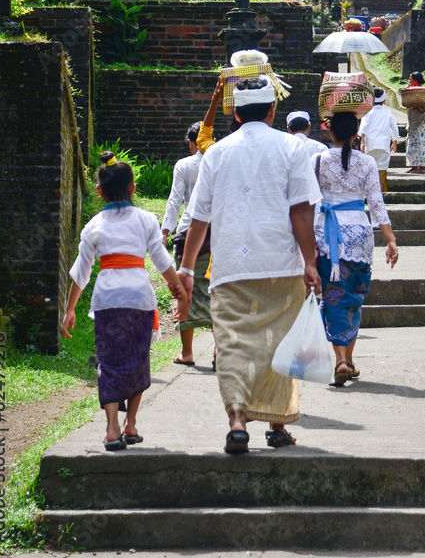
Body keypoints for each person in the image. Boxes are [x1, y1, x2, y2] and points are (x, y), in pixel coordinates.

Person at [179, 76, 321, 455]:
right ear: (273, 110)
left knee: (231, 344)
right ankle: (277, 426)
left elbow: (199, 218)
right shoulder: (293, 148)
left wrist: (187, 269)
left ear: (236, 113)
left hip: (229, 266)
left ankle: (238, 419)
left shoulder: (216, 153)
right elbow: (302, 210)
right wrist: (310, 262)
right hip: (281, 263)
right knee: (281, 342)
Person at [62, 152, 188, 451]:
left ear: (99, 191)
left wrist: (69, 309)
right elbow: (161, 261)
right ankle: (130, 424)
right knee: (137, 360)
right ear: (132, 189)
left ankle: (111, 428)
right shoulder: (146, 220)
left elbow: (81, 271)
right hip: (139, 299)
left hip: (107, 300)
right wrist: (180, 289)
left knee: (109, 361)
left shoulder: (93, 225)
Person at [314, 111, 398, 386]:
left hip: (327, 235)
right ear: (355, 134)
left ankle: (341, 359)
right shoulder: (367, 162)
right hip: (359, 236)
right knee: (354, 295)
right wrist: (390, 239)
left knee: (333, 294)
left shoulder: (318, 160)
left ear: (330, 132)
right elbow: (376, 202)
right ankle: (346, 360)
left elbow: (308, 200)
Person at [162, 81, 223, 366]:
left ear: (191, 142)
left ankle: (187, 353)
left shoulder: (185, 165)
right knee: (216, 292)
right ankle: (216, 350)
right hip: (217, 234)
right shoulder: (222, 157)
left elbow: (176, 200)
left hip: (188, 232)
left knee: (184, 291)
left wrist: (165, 230)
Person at [358, 87, 399, 192]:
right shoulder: (388, 113)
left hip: (370, 145)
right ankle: (381, 192)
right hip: (384, 145)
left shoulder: (368, 113)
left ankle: (370, 191)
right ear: (384, 101)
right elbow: (394, 128)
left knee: (370, 170)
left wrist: (362, 142)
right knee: (382, 170)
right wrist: (395, 142)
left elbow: (363, 128)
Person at [405, 71, 425, 174]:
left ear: (415, 80)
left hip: (420, 121)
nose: (409, 80)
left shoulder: (423, 91)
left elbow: (422, 109)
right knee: (412, 143)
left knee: (420, 144)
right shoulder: (412, 89)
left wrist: (414, 100)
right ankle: (414, 166)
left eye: (410, 78)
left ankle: (421, 167)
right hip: (413, 121)